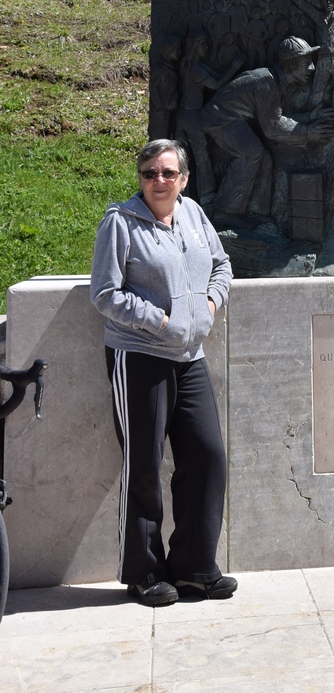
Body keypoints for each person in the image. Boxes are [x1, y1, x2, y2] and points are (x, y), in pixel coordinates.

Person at [89, 139, 236, 608]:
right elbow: (105, 293)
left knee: (207, 456)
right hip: (138, 356)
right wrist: (161, 321)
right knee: (144, 465)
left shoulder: (193, 215)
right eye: (150, 172)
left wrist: (209, 305)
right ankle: (144, 572)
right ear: (140, 178)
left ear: (183, 179)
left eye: (168, 173)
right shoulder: (120, 222)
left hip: (189, 356)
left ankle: (195, 568)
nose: (159, 180)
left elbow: (222, 266)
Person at [201, 36, 334, 224]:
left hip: (233, 118)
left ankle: (257, 212)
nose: (312, 68)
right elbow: (273, 127)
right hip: (220, 119)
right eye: (306, 63)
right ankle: (224, 213)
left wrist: (309, 117)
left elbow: (274, 118)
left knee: (263, 157)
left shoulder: (273, 81)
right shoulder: (265, 81)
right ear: (291, 63)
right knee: (252, 153)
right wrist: (307, 132)